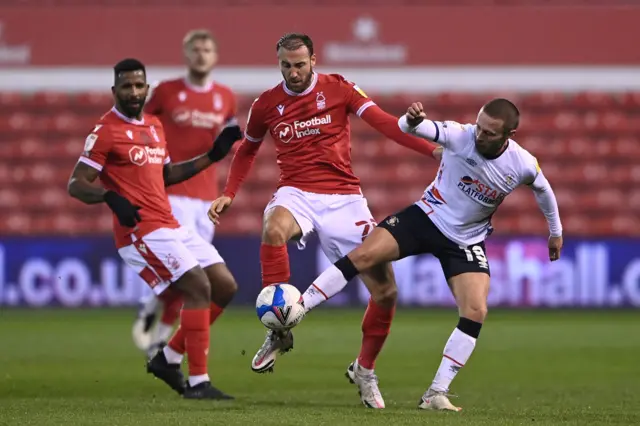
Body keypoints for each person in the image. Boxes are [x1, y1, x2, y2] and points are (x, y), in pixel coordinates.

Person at [297, 98, 563, 410]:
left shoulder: (522, 164)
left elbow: (544, 190)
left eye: (490, 133)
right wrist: (411, 120)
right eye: (479, 127)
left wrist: (555, 231)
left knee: (476, 310)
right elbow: (409, 128)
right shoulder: (459, 135)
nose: (480, 135)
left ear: (510, 135)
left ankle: (436, 392)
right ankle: (299, 309)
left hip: (466, 240)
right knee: (365, 255)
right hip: (426, 217)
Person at [207, 33, 442, 377]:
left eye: (300, 64)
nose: (294, 72)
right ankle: (278, 330)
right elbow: (247, 149)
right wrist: (229, 191)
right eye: (286, 65)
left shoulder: (339, 88)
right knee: (273, 229)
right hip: (296, 192)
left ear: (313, 60)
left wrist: (431, 148)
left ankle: (364, 368)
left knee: (385, 291)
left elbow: (384, 123)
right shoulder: (266, 104)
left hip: (344, 198)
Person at [67, 58, 242, 399]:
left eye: (138, 85)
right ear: (114, 90)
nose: (133, 92)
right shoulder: (105, 131)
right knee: (197, 287)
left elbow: (166, 176)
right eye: (126, 86)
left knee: (225, 286)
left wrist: (213, 155)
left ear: (147, 89)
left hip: (170, 223)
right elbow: (76, 183)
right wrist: (108, 197)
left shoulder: (154, 126)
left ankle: (168, 358)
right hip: (140, 231)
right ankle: (198, 382)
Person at [131, 29, 239, 358]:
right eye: (196, 49)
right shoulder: (166, 92)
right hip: (171, 193)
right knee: (183, 271)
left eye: (207, 49)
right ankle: (152, 314)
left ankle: (158, 334)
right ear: (186, 53)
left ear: (215, 56)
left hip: (206, 198)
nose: (201, 54)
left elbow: (230, 140)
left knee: (193, 275)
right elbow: (140, 125)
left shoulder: (225, 97)